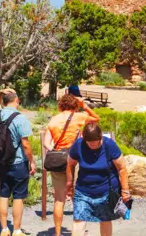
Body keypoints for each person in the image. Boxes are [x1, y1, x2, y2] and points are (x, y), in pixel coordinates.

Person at [44, 92, 101, 236]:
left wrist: (58, 152)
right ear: (74, 105)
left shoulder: (54, 120)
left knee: (59, 199)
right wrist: (85, 106)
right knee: (78, 197)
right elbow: (96, 118)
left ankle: (57, 233)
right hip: (75, 160)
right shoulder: (79, 117)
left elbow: (46, 143)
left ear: (61, 105)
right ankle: (78, 232)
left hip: (58, 160)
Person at [66, 123, 130, 236]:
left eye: (96, 142)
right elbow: (70, 164)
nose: (93, 145)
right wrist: (69, 185)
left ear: (100, 137)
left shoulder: (109, 145)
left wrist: (125, 190)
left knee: (105, 220)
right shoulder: (79, 145)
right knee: (79, 220)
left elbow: (122, 168)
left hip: (105, 191)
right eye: (89, 143)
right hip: (83, 190)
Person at [0, 90, 36, 236]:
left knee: (3, 194)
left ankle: (4, 229)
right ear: (16, 100)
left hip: (1, 162)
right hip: (17, 163)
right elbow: (25, 144)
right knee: (18, 197)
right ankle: (16, 230)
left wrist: (0, 93)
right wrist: (32, 161)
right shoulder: (20, 118)